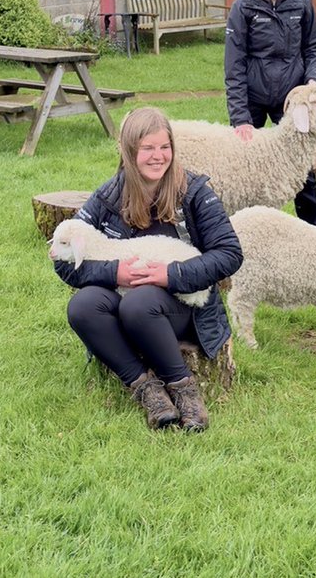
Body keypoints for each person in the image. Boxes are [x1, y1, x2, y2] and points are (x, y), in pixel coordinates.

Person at [53, 107, 243, 431]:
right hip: (125, 296)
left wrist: (171, 275)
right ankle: (146, 388)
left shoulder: (195, 192)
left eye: (165, 147)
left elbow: (229, 253)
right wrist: (116, 273)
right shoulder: (109, 195)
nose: (159, 156)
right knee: (83, 306)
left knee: (138, 303)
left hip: (182, 308)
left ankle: (185, 391)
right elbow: (63, 260)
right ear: (129, 151)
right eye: (148, 148)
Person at [224, 0, 316, 226]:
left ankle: (315, 235)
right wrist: (240, 117)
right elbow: (234, 65)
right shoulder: (243, 7)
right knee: (245, 170)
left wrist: (313, 82)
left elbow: (312, 49)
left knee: (303, 172)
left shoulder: (302, 2)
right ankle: (240, 234)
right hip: (253, 99)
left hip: (291, 101)